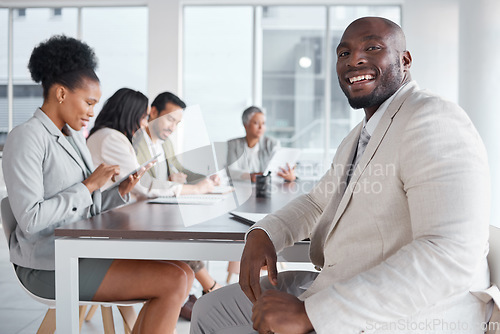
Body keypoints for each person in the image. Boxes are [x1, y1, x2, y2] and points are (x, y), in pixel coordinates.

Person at [191, 17, 491, 334]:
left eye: (372, 47)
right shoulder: (361, 135)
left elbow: (448, 255)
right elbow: (318, 202)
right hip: (346, 278)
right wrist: (264, 233)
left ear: (405, 60)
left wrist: (312, 315)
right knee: (210, 310)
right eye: (343, 53)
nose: (354, 59)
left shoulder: (432, 118)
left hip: (411, 314)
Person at [2, 35, 194, 334]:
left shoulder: (74, 137)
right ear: (62, 94)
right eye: (89, 102)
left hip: (78, 250)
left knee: (183, 271)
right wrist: (88, 186)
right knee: (173, 281)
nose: (93, 111)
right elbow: (30, 219)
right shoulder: (26, 137)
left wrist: (119, 191)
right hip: (46, 264)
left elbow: (86, 205)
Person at [87, 87, 221, 319]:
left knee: (179, 239)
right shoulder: (112, 139)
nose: (143, 123)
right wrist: (188, 187)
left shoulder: (114, 137)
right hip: (111, 226)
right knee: (177, 239)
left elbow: (158, 175)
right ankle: (207, 290)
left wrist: (200, 179)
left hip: (117, 217)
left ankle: (204, 291)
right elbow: (141, 184)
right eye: (142, 116)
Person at [133, 92, 220, 195]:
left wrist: (207, 180)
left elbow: (181, 169)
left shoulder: (167, 143)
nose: (172, 128)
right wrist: (169, 182)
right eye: (170, 119)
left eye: (177, 123)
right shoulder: (135, 142)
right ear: (153, 112)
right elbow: (142, 183)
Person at [227, 106, 296, 183]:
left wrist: (290, 176)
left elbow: (279, 169)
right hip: (242, 189)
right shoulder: (233, 144)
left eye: (263, 123)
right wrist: (250, 176)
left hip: (267, 188)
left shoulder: (272, 143)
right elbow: (231, 171)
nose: (261, 127)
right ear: (245, 125)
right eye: (256, 123)